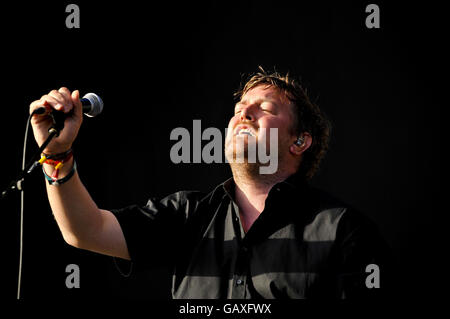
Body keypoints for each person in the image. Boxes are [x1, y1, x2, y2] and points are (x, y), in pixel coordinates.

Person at [29, 68, 391, 299]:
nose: (242, 113)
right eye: (238, 110)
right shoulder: (188, 215)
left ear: (300, 141)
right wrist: (57, 155)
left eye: (264, 108)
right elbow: (85, 230)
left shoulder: (344, 231)